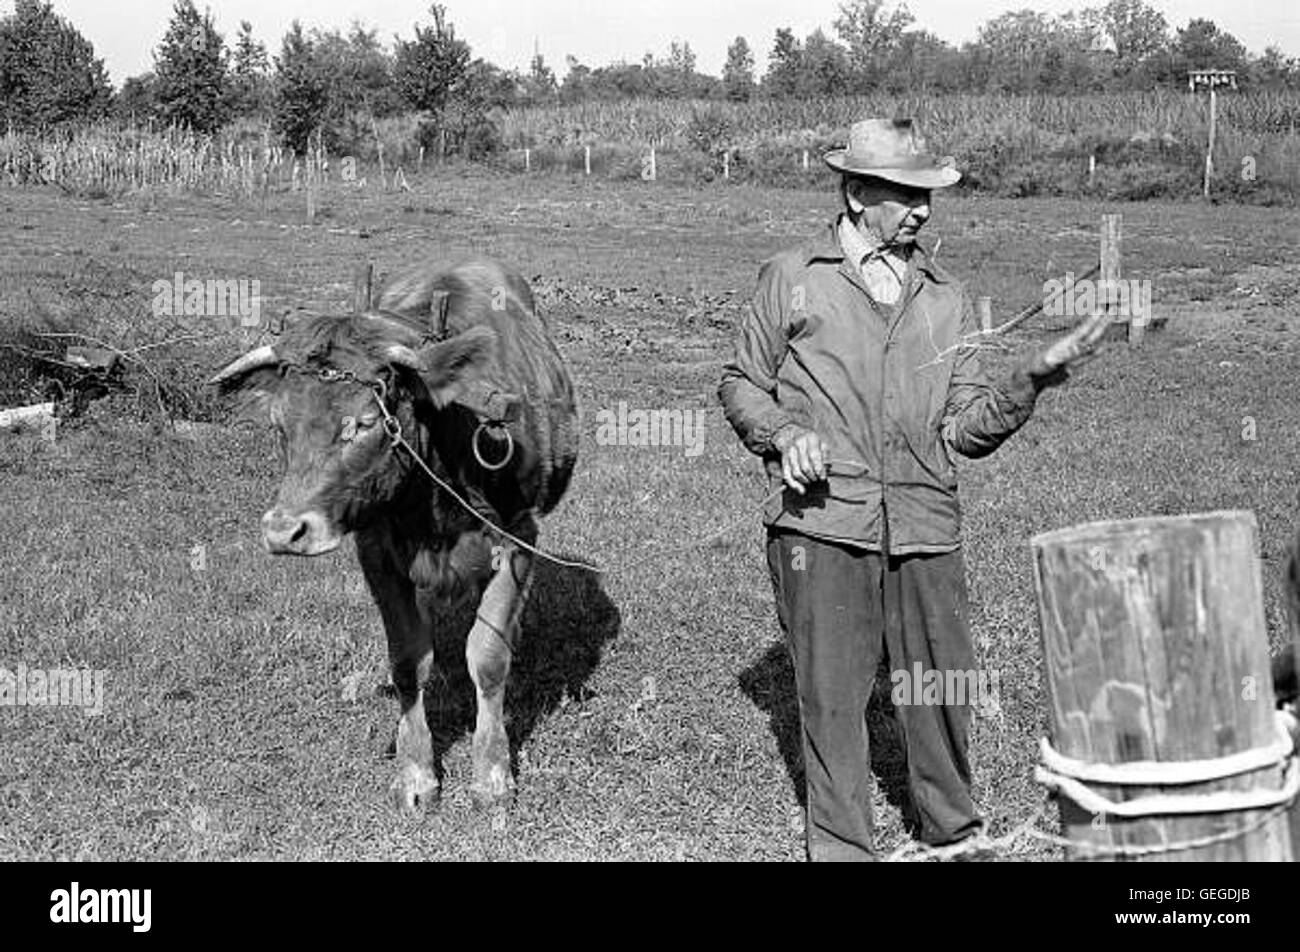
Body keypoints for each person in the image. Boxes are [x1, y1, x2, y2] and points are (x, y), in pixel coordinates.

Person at [718, 117, 1111, 861]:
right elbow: (741, 381)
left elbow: (965, 429)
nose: (924, 210)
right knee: (832, 702)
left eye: (929, 195)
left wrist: (1031, 377)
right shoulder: (794, 276)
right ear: (858, 192)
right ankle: (843, 850)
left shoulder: (945, 296)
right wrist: (783, 435)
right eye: (907, 195)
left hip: (927, 521)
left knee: (941, 690)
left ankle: (954, 834)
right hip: (823, 520)